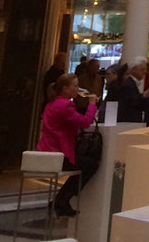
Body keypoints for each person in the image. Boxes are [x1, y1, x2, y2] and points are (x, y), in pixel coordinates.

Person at [37, 73, 99, 218]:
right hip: (58, 154)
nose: (78, 89)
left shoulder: (51, 103)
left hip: (47, 151)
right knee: (91, 165)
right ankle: (63, 199)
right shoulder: (66, 104)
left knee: (85, 164)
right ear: (65, 88)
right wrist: (91, 105)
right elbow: (84, 122)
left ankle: (61, 199)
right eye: (75, 86)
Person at [116, 58, 146, 122]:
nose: (145, 72)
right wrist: (144, 95)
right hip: (128, 122)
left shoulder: (131, 83)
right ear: (134, 69)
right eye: (142, 69)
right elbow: (131, 104)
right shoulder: (128, 85)